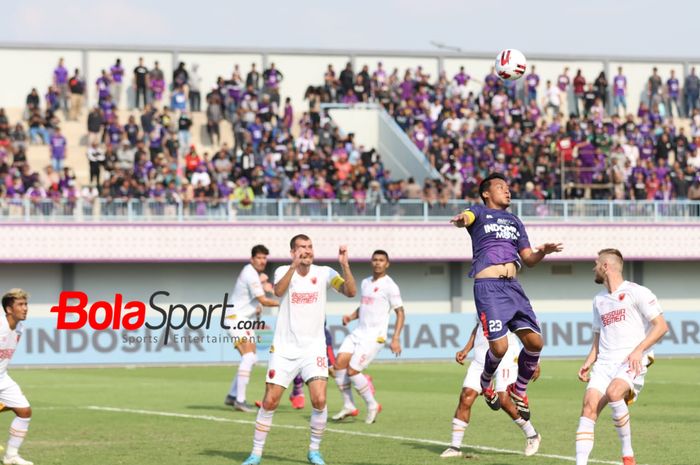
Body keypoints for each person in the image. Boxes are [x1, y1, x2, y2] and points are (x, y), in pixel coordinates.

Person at [449, 173, 562, 420]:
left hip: (513, 287)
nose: (507, 191)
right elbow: (467, 217)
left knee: (535, 343)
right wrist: (461, 219)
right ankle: (486, 380)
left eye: (508, 187)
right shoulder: (478, 212)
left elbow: (529, 259)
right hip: (488, 287)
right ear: (487, 193)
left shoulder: (514, 220)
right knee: (499, 347)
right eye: (501, 187)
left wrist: (543, 252)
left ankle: (519, 390)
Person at [241, 235, 356, 465]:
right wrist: (293, 266)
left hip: (314, 349)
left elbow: (350, 292)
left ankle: (314, 451)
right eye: (302, 247)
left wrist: (344, 265)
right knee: (270, 401)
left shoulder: (325, 273)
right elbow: (278, 291)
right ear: (293, 251)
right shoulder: (284, 271)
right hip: (284, 349)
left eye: (310, 246)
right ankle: (256, 454)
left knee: (320, 399)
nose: (307, 251)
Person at [575, 249, 669, 465]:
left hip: (631, 360)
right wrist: (588, 362)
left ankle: (627, 454)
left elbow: (661, 326)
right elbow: (599, 338)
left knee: (614, 392)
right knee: (589, 407)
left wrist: (639, 350)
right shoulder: (598, 300)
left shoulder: (637, 292)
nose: (593, 268)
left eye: (596, 263)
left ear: (606, 266)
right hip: (605, 363)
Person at [440, 320, 541, 458]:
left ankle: (532, 435)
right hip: (481, 357)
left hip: (506, 355)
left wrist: (535, 361)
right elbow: (478, 327)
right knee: (466, 396)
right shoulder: (481, 300)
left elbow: (529, 329)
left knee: (503, 399)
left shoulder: (510, 300)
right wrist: (466, 349)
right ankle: (454, 447)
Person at [331, 250, 405, 424]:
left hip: (374, 336)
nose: (378, 263)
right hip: (358, 332)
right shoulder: (365, 282)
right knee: (338, 364)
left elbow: (400, 312)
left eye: (381, 260)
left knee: (353, 370)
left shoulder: (390, 286)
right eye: (375, 260)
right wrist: (351, 316)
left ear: (387, 264)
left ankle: (372, 405)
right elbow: (364, 306)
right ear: (371, 262)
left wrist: (395, 338)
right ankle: (349, 405)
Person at [224, 245, 279, 412]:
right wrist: (285, 303)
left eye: (264, 258)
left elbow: (258, 300)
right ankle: (239, 401)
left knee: (252, 358)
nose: (262, 261)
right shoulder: (250, 274)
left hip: (243, 319)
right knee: (248, 357)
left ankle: (233, 395)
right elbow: (263, 300)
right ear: (252, 259)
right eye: (259, 258)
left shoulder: (252, 273)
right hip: (235, 319)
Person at [0, 289, 34, 465]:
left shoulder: (20, 327)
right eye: (20, 304)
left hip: (2, 378)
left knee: (24, 411)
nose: (25, 308)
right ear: (9, 309)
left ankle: (11, 456)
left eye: (26, 304)